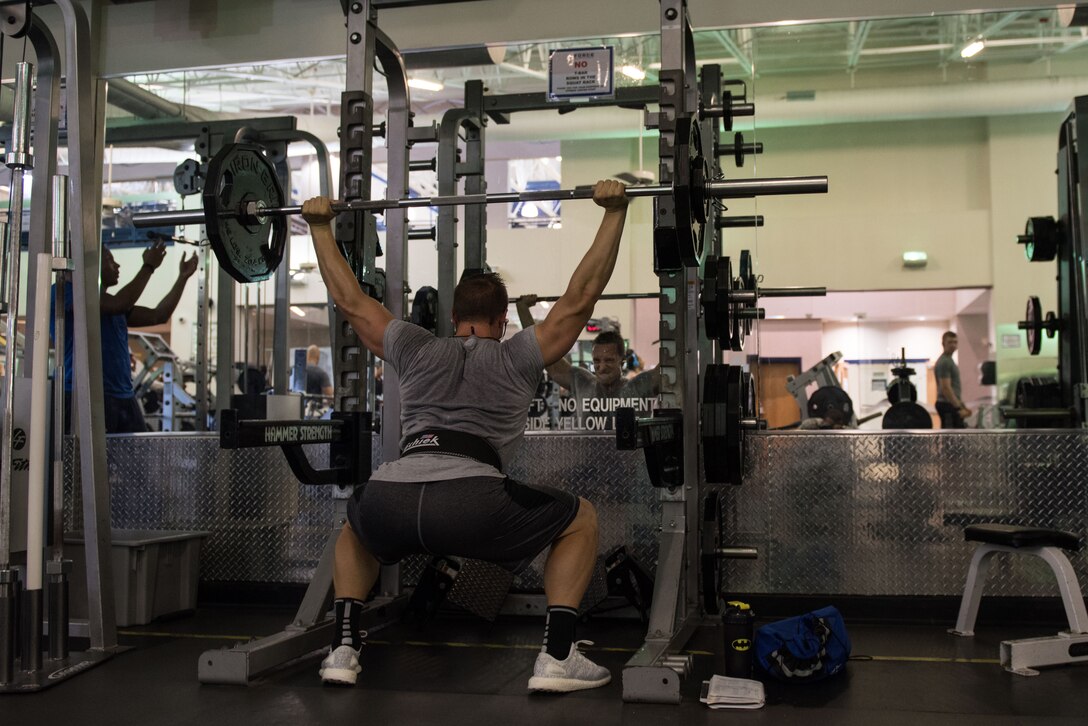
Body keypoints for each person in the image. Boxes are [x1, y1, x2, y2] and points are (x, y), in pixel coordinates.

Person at [302, 180, 629, 692]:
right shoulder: (516, 354)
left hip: (393, 497)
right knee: (580, 517)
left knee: (356, 524)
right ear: (503, 322)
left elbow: (349, 300)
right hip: (473, 506)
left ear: (452, 319)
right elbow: (580, 298)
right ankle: (558, 655)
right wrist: (613, 213)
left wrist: (318, 227)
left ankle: (344, 647)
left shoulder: (413, 345)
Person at [52, 240, 197, 433]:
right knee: (89, 462)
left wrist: (183, 278)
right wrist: (148, 267)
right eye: (110, 260)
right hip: (84, 396)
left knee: (133, 461)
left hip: (123, 396)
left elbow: (158, 315)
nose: (117, 265)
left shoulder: (112, 305)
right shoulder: (65, 292)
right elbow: (120, 302)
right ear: (91, 266)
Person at [515, 297, 658, 428]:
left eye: (609, 360)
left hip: (628, 457)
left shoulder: (638, 387)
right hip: (589, 456)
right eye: (597, 360)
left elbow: (669, 368)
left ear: (622, 361)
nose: (602, 367)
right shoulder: (583, 383)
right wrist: (522, 309)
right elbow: (545, 354)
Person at [935, 330, 971, 428]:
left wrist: (961, 405)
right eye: (950, 342)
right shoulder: (945, 362)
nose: (953, 345)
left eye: (955, 342)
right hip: (947, 405)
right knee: (951, 439)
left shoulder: (949, 361)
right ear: (943, 344)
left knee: (956, 438)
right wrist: (958, 408)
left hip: (950, 405)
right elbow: (946, 388)